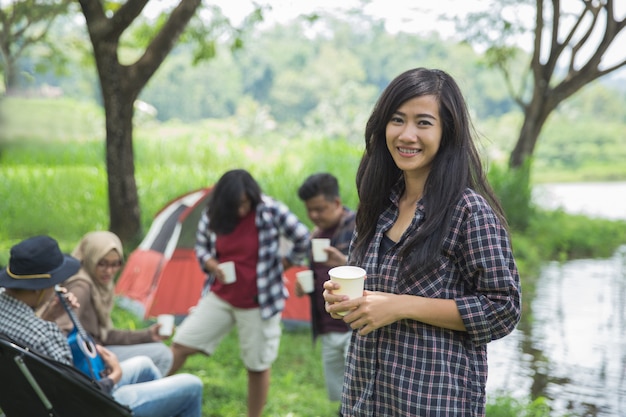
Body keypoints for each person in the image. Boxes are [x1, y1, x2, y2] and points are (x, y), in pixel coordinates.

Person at [322, 68, 522, 416]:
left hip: (431, 403)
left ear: (447, 132)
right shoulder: (376, 206)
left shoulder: (468, 211)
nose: (407, 134)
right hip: (363, 398)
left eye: (424, 123)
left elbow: (503, 309)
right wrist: (345, 302)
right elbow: (373, 300)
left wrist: (401, 305)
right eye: (397, 120)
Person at [0, 235, 203, 417]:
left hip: (32, 405)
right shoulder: (45, 335)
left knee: (145, 365)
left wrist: (50, 314)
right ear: (40, 289)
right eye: (55, 283)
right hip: (88, 409)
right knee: (192, 385)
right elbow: (78, 396)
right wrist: (114, 376)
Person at [168, 169, 310, 417]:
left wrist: (284, 265)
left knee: (257, 365)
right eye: (237, 205)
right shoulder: (213, 214)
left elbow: (303, 238)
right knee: (181, 344)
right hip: (221, 297)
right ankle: (146, 394)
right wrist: (213, 266)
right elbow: (201, 248)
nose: (242, 210)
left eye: (245, 203)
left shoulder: (269, 210)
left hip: (259, 302)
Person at [40, 231, 173, 376]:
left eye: (115, 264)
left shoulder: (98, 285)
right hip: (89, 359)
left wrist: (147, 335)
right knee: (162, 354)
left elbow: (105, 335)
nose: (109, 271)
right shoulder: (81, 287)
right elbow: (60, 331)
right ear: (90, 258)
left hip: (98, 349)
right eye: (102, 264)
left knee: (157, 348)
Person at [295, 172, 355, 403]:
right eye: (310, 210)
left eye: (319, 209)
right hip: (328, 327)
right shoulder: (316, 235)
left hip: (354, 327)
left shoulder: (359, 226)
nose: (313, 215)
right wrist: (306, 285)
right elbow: (319, 274)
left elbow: (376, 273)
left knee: (358, 393)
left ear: (337, 203)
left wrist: (345, 262)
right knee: (340, 396)